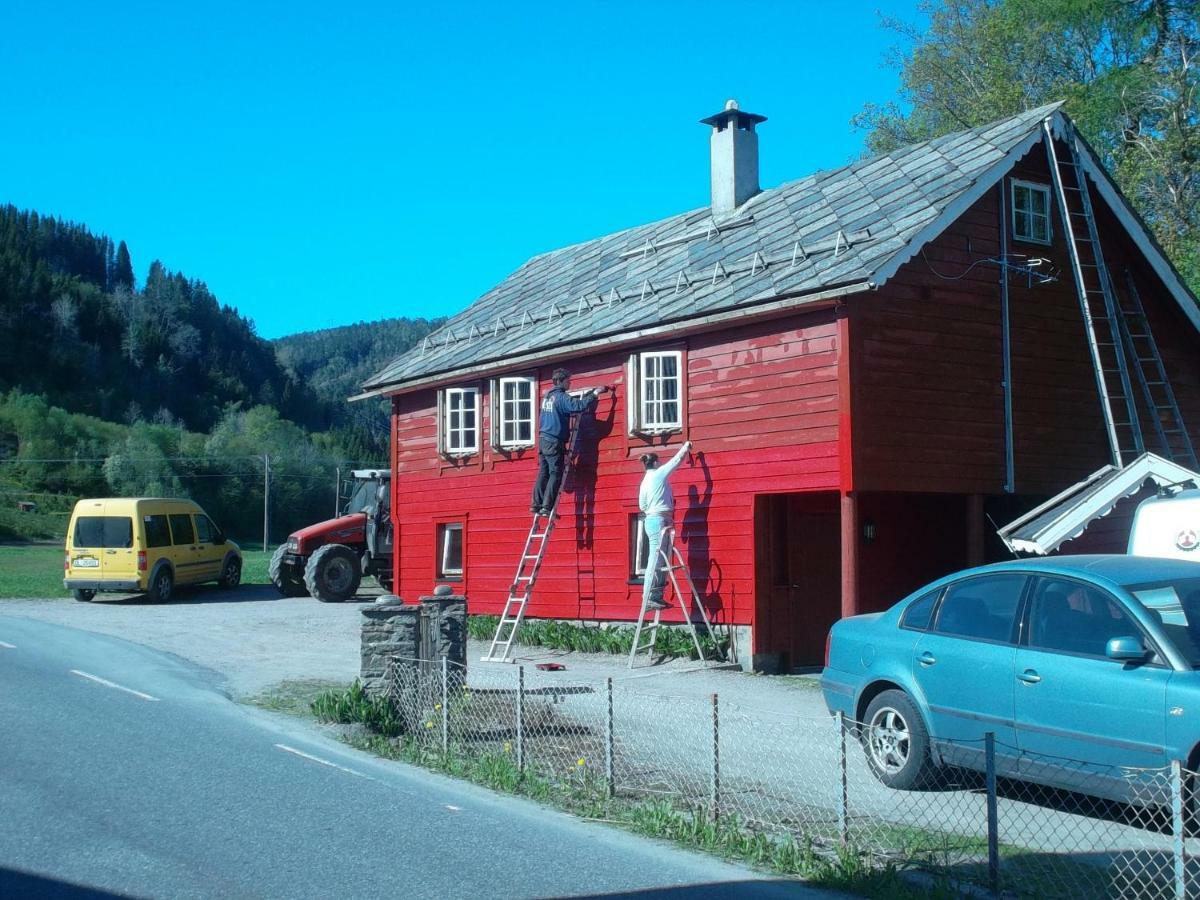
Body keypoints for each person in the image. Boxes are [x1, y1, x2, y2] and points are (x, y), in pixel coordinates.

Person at [531, 368, 609, 516]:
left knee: (544, 472)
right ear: (561, 381)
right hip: (554, 440)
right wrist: (595, 393)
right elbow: (577, 406)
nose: (570, 384)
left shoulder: (548, 396)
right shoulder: (561, 397)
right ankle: (546, 507)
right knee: (556, 473)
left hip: (543, 440)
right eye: (568, 381)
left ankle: (536, 504)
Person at [638, 440, 693, 611]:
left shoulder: (644, 481)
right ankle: (648, 597)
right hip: (658, 520)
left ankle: (656, 596)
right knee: (655, 560)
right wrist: (686, 446)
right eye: (659, 461)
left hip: (655, 519)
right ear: (655, 463)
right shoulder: (658, 474)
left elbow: (642, 506)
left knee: (661, 560)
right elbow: (676, 461)